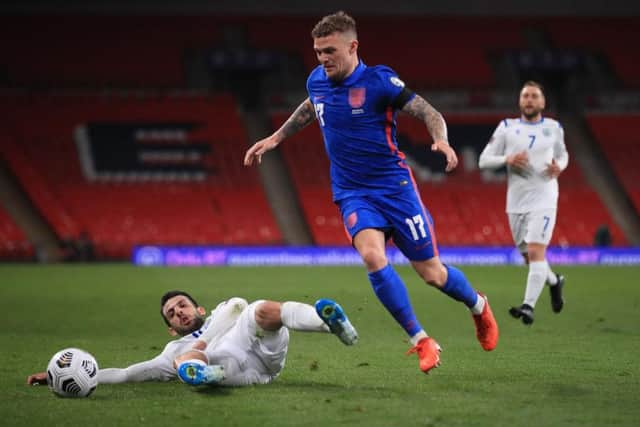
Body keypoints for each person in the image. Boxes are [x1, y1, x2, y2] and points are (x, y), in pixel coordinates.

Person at [243, 11, 498, 375]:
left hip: (395, 190)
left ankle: (478, 306)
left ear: (353, 46)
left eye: (329, 51)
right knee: (373, 258)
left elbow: (429, 112)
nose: (322, 59)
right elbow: (310, 108)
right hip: (352, 193)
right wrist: (275, 138)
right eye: (317, 52)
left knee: (432, 274)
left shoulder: (380, 81)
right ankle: (421, 340)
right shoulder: (317, 80)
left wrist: (440, 140)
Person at [27, 290, 358, 387]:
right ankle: (205, 375)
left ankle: (330, 324)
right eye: (171, 314)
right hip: (233, 371)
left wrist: (201, 341)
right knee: (182, 360)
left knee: (259, 308)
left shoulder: (222, 312)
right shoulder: (175, 347)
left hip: (265, 352)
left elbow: (239, 307)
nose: (179, 313)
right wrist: (74, 376)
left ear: (197, 307)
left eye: (181, 306)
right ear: (171, 328)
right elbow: (128, 373)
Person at [478, 81, 568, 325]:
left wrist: (560, 166)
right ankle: (554, 281)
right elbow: (483, 161)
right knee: (530, 259)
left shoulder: (553, 128)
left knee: (538, 252)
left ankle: (528, 306)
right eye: (525, 95)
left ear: (542, 102)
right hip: (516, 202)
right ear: (520, 101)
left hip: (545, 197)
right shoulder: (507, 127)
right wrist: (508, 159)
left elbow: (563, 154)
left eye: (534, 96)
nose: (529, 99)